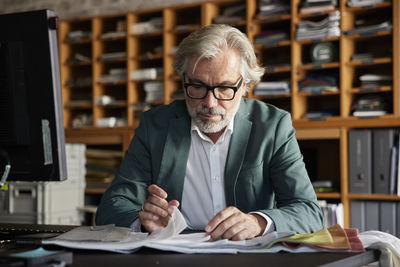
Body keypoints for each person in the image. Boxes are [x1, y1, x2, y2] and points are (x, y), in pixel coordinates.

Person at [95, 24, 323, 241]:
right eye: (197, 86)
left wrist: (258, 222)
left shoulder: (273, 126)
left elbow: (309, 212)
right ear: (183, 80)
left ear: (245, 85)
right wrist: (143, 222)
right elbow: (111, 208)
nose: (210, 102)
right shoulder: (155, 125)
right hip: (174, 255)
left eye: (224, 88)